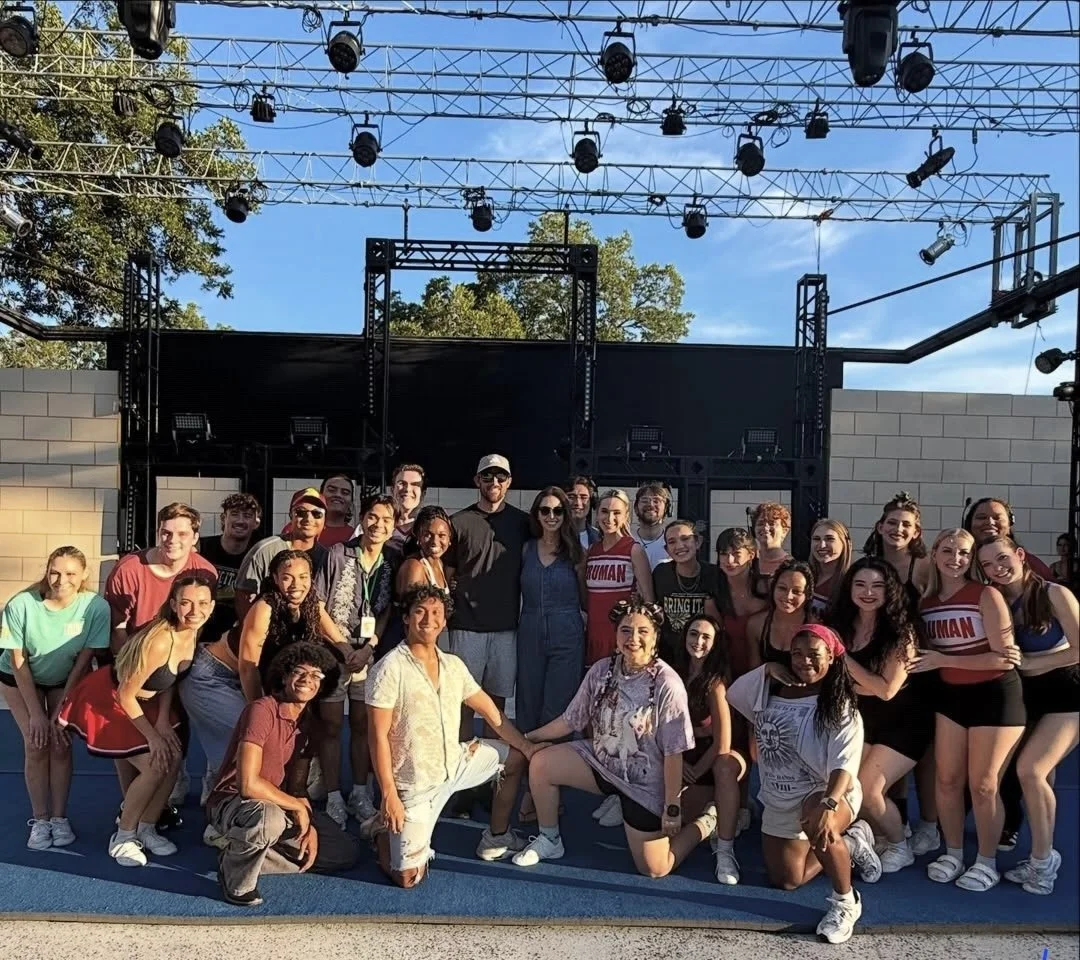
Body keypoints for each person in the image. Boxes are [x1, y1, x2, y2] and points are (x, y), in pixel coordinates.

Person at [513, 600, 717, 879]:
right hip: (601, 763)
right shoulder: (600, 670)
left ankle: (706, 823)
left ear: (656, 636)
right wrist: (525, 738)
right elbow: (571, 720)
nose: (633, 639)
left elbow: (673, 751)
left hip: (643, 783)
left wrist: (671, 807)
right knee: (542, 762)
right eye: (625, 630)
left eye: (643, 631)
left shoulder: (667, 683)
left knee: (655, 868)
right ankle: (550, 838)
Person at [366, 585, 542, 886]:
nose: (428, 620)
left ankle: (496, 836)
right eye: (420, 612)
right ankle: (382, 832)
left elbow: (492, 713)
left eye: (436, 613)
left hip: (456, 763)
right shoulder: (388, 669)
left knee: (514, 760)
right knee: (408, 878)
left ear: (445, 621)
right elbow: (377, 737)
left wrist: (527, 747)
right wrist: (389, 796)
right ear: (406, 618)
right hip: (414, 783)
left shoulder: (454, 666)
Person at [727, 624, 881, 945]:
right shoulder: (771, 692)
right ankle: (851, 844)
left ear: (831, 658)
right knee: (787, 880)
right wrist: (768, 669)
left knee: (816, 817)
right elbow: (734, 694)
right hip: (781, 797)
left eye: (814, 654)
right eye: (797, 654)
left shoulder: (840, 706)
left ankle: (845, 902)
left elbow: (844, 766)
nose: (804, 661)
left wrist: (829, 804)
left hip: (826, 792)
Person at [181, 549, 351, 827]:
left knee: (254, 743)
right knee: (253, 738)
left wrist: (357, 654)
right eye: (287, 577)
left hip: (244, 678)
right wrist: (261, 712)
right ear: (274, 578)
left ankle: (230, 792)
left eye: (303, 577)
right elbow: (248, 666)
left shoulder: (310, 604)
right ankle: (222, 816)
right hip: (212, 676)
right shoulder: (265, 608)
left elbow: (338, 639)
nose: (296, 585)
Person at [58, 574, 216, 866]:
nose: (195, 610)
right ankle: (123, 836)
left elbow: (170, 680)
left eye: (202, 603)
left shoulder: (193, 632)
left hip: (148, 700)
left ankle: (147, 827)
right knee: (155, 765)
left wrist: (164, 723)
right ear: (173, 604)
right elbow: (125, 694)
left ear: (213, 605)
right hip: (110, 698)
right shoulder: (159, 640)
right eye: (186, 603)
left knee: (172, 759)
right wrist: (153, 736)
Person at [207, 642, 360, 906]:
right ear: (285, 675)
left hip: (277, 804)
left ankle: (240, 851)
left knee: (344, 852)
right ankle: (237, 880)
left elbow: (297, 789)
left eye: (316, 675)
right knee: (269, 819)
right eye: (299, 671)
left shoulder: (309, 724)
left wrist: (308, 823)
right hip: (234, 802)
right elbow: (247, 784)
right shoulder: (262, 710)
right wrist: (297, 810)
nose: (307, 680)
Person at [912, 528, 1022, 892]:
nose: (955, 559)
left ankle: (986, 861)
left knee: (985, 785)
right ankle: (953, 852)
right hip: (952, 697)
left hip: (995, 695)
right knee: (946, 780)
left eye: (963, 552)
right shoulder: (927, 602)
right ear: (935, 554)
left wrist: (943, 657)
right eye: (947, 550)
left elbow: (1004, 659)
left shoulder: (986, 594)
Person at [978, 534, 1079, 895]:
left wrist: (1033, 663)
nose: (997, 569)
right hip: (1026, 698)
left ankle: (1043, 863)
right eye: (988, 565)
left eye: (1003, 559)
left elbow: (1078, 650)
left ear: (1020, 554)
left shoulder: (1054, 593)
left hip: (1067, 695)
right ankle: (1040, 855)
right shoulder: (996, 600)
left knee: (1031, 770)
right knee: (1040, 780)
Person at [0, 546, 110, 850]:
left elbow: (84, 660)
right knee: (36, 743)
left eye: (71, 573)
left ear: (84, 575)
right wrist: (37, 714)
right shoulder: (21, 604)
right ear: (47, 571)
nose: (62, 580)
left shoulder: (95, 608)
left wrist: (62, 707)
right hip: (20, 677)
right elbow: (18, 660)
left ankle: (60, 818)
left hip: (64, 679)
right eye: (55, 572)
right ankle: (41, 819)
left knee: (60, 744)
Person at [826, 557, 931, 873]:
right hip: (862, 721)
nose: (868, 592)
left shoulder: (902, 632)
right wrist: (863, 686)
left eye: (877, 586)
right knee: (852, 788)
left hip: (903, 722)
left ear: (890, 591)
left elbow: (887, 691)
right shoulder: (841, 624)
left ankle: (900, 844)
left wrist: (843, 658)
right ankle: (880, 835)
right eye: (860, 584)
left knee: (869, 790)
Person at [316, 493, 397, 827]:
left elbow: (386, 608)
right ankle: (334, 794)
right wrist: (342, 646)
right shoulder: (337, 554)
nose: (379, 525)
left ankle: (360, 792)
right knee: (332, 725)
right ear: (362, 518)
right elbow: (317, 604)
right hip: (335, 652)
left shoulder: (391, 561)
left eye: (387, 520)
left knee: (364, 724)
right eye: (373, 517)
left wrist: (369, 645)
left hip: (368, 655)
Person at [448, 455, 532, 740]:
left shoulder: (523, 523)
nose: (493, 482)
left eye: (500, 477)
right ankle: (461, 771)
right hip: (466, 627)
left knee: (496, 706)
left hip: (506, 629)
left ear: (509, 482)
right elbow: (444, 573)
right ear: (476, 481)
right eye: (487, 476)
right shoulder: (458, 522)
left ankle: (491, 773)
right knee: (464, 703)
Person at [671, 614, 746, 885]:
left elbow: (722, 742)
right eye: (693, 634)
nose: (698, 641)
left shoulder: (715, 684)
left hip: (712, 758)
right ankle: (711, 817)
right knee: (674, 826)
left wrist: (694, 771)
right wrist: (678, 764)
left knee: (724, 765)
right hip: (682, 755)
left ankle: (725, 850)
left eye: (706, 637)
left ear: (715, 643)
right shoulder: (674, 673)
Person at [516, 487, 586, 736]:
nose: (551, 515)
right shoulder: (526, 550)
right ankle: (526, 760)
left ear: (566, 515)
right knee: (528, 697)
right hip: (530, 627)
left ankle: (555, 764)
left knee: (559, 699)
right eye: (545, 510)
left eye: (558, 510)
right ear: (537, 514)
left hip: (566, 628)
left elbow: (585, 597)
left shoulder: (576, 553)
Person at [104, 502, 218, 655]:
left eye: (182, 534)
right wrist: (128, 667)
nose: (172, 540)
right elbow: (117, 628)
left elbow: (198, 622)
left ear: (195, 538)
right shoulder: (128, 571)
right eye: (166, 533)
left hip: (182, 653)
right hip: (135, 653)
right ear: (158, 533)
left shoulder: (205, 573)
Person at [235, 488, 329, 623]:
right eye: (301, 512)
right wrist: (254, 633)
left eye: (317, 514)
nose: (309, 518)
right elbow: (243, 595)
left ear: (325, 519)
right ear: (291, 515)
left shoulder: (328, 558)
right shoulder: (265, 550)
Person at [585, 489, 655, 667]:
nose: (609, 518)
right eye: (604, 512)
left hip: (622, 638)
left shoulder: (633, 549)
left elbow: (649, 600)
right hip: (594, 636)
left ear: (626, 516)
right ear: (597, 513)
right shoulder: (592, 551)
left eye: (617, 513)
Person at [652, 519, 721, 663]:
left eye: (685, 539)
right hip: (668, 656)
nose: (679, 546)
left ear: (698, 542)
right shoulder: (661, 573)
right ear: (666, 550)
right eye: (672, 542)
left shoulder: (714, 574)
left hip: (704, 655)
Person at [198, 493, 263, 643]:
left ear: (256, 522)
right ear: (223, 518)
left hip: (240, 637)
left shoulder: (260, 554)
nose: (240, 520)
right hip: (200, 634)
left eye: (247, 516)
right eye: (234, 514)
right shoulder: (202, 548)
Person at [392, 504, 455, 654]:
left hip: (428, 647)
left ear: (450, 539)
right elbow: (410, 618)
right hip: (410, 649)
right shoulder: (415, 566)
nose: (435, 541)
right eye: (428, 534)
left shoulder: (439, 563)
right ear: (418, 537)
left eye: (442, 535)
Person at [964, 497, 1053, 580]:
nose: (990, 522)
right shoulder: (958, 560)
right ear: (969, 524)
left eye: (997, 518)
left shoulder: (1032, 564)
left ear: (1009, 525)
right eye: (982, 518)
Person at [747, 559, 815, 667]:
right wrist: (768, 669)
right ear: (773, 588)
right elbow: (753, 672)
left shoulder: (815, 628)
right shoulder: (756, 625)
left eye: (796, 591)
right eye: (782, 588)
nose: (788, 596)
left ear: (808, 595)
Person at [809, 519, 853, 619]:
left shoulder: (850, 581)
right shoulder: (804, 574)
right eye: (816, 539)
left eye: (829, 539)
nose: (822, 545)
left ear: (845, 543)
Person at [751, 502, 792, 594]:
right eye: (760, 523)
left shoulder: (791, 566)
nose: (765, 528)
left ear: (785, 530)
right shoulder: (748, 561)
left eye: (771, 523)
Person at [387, 463, 427, 556]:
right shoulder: (375, 523)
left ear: (423, 493)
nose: (407, 489)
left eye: (415, 484)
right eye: (401, 483)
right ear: (392, 490)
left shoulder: (430, 526)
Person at [632, 483, 673, 571]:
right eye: (644, 501)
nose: (650, 505)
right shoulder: (627, 542)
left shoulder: (673, 543)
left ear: (666, 508)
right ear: (636, 508)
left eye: (656, 501)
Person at [319, 474, 356, 547]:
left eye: (345, 493)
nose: (338, 495)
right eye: (331, 490)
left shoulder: (355, 537)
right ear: (320, 495)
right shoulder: (301, 528)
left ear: (351, 502)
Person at [566, 475, 601, 551]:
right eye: (571, 497)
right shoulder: (553, 535)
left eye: (583, 497)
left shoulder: (600, 537)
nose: (578, 503)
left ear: (591, 501)